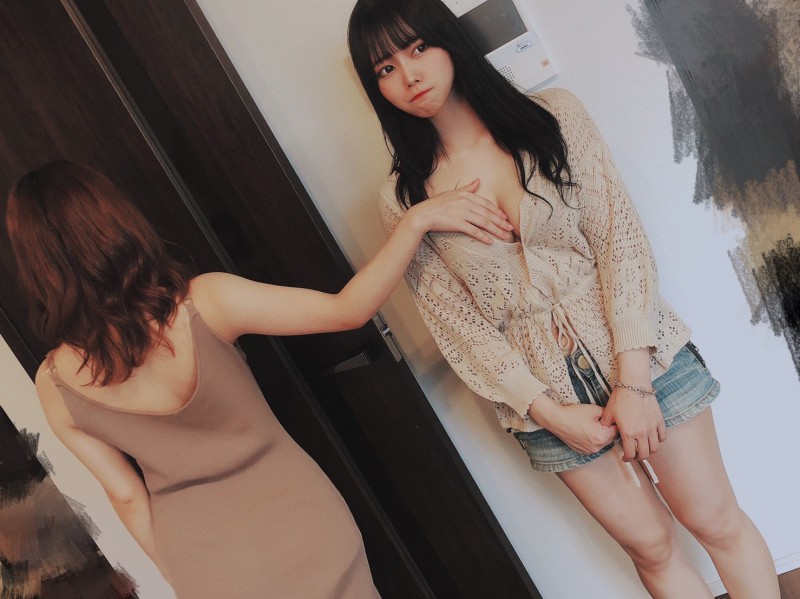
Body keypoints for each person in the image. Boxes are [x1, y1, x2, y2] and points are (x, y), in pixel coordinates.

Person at [347, 0, 780, 597]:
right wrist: (549, 414)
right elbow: (460, 329)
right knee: (652, 549)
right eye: (385, 67)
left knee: (715, 520)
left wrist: (634, 383)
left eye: (418, 48)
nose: (409, 75)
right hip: (545, 399)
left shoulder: (553, 116)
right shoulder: (403, 200)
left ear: (449, 41)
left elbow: (620, 243)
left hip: (645, 358)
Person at [3, 160, 513, 598]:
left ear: (38, 266)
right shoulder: (206, 302)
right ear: (115, 224)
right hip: (306, 525)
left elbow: (129, 497)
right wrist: (416, 219)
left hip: (207, 566)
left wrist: (186, 579)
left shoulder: (55, 383)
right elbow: (348, 309)